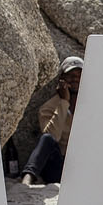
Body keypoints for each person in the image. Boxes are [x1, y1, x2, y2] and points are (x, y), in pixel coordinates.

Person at [21, 56, 83, 184]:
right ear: (62, 79)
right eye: (71, 75)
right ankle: (28, 178)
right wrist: (64, 102)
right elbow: (52, 136)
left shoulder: (93, 105)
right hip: (59, 166)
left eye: (79, 75)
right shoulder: (49, 107)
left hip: (84, 164)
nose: (76, 79)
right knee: (47, 139)